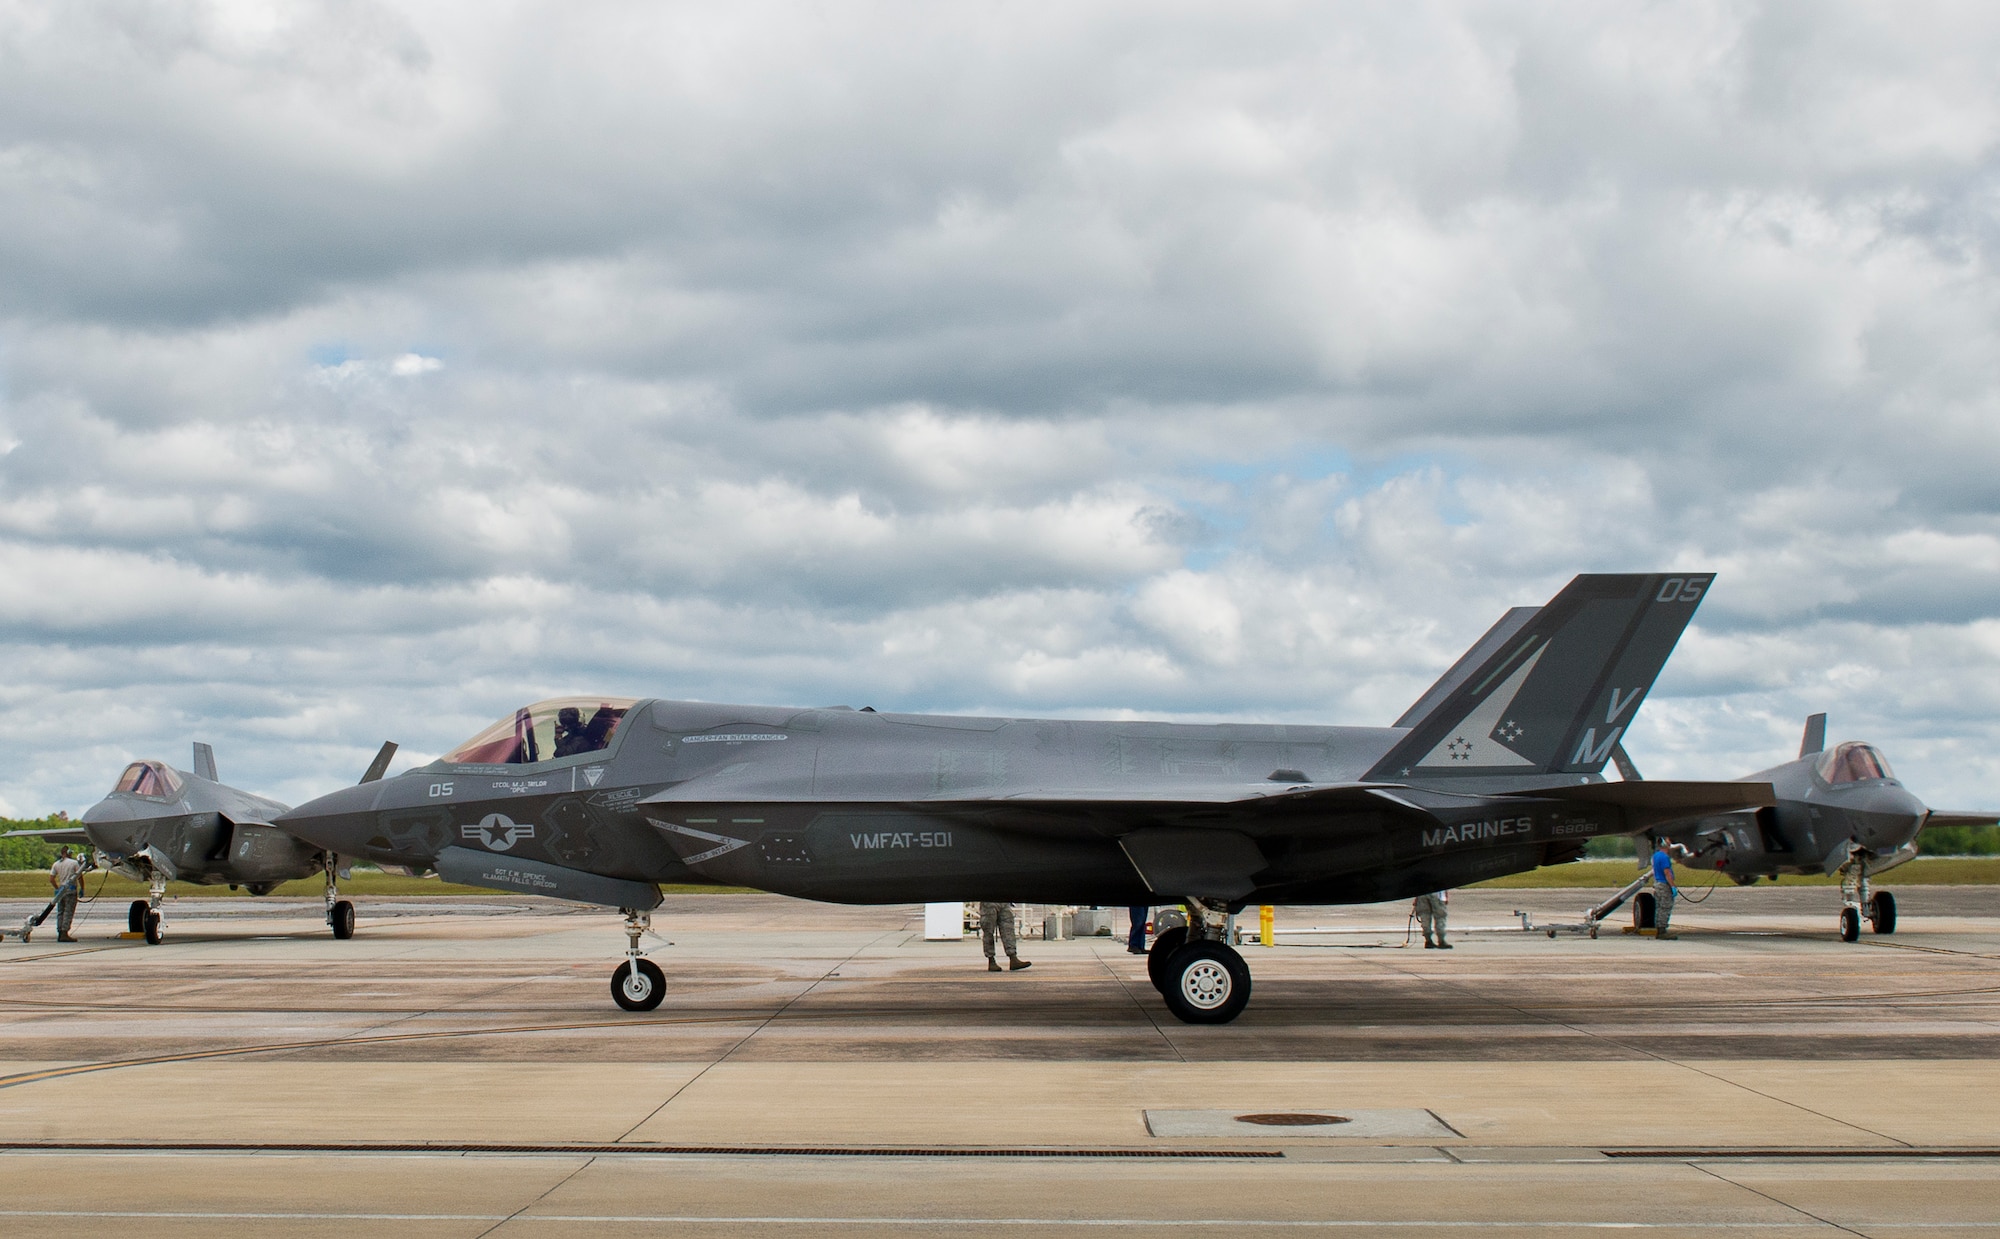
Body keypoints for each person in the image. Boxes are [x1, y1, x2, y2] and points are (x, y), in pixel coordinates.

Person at [979, 902, 1031, 971]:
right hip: (988, 901)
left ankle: (1013, 958)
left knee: (1008, 929)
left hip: (1004, 901)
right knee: (988, 931)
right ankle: (991, 960)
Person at [49, 847, 83, 943]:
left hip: (61, 891)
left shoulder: (56, 864)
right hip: (71, 891)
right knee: (68, 912)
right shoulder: (73, 863)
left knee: (60, 912)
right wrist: (82, 888)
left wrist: (57, 888)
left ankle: (60, 931)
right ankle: (65, 933)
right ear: (68, 853)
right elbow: (79, 876)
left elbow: (51, 879)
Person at [1649, 842, 1679, 940]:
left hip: (1657, 883)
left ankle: (1658, 929)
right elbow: (1667, 872)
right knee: (1665, 907)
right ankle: (1662, 931)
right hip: (1664, 885)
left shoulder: (1655, 856)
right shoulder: (1665, 857)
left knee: (1659, 907)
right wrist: (1673, 886)